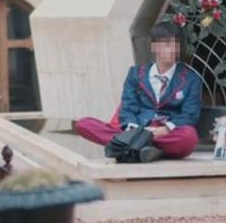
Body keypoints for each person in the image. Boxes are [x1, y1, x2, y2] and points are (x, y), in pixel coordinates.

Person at [74, 22, 201, 162]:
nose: (171, 50)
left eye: (175, 45)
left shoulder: (190, 79)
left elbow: (190, 114)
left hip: (165, 134)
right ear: (154, 46)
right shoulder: (136, 74)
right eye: (166, 45)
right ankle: (146, 148)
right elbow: (128, 107)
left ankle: (133, 147)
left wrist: (164, 130)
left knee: (189, 137)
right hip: (137, 129)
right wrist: (135, 131)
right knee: (83, 124)